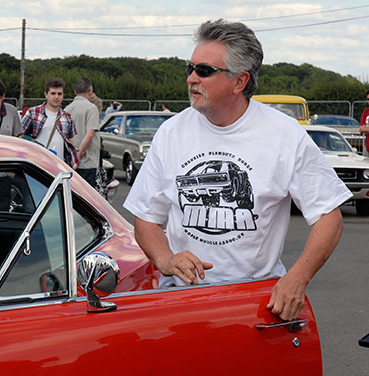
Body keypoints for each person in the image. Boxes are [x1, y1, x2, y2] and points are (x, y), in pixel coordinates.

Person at [123, 19, 351, 322]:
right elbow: (147, 217)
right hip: (180, 298)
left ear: (239, 81)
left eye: (203, 70)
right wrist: (165, 259)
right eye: (189, 68)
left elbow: (328, 217)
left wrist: (296, 279)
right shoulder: (171, 132)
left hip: (254, 301)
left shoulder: (284, 134)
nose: (191, 78)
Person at [21, 78, 78, 169]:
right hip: (36, 165)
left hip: (60, 167)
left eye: (59, 94)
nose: (56, 97)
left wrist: (73, 163)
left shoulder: (67, 117)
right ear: (46, 94)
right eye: (53, 93)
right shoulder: (33, 112)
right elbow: (20, 135)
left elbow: (71, 142)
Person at [64, 78, 101, 188]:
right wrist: (79, 155)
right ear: (90, 91)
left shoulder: (67, 109)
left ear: (75, 92)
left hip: (70, 163)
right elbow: (89, 134)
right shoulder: (91, 108)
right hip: (87, 162)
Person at [358, 88, 369, 154]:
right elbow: (361, 128)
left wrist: (366, 128)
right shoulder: (366, 111)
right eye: (368, 99)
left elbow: (364, 128)